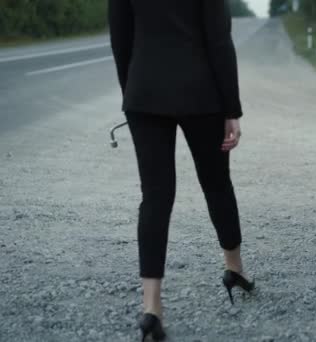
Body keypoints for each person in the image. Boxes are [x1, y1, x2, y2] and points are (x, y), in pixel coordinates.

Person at [108, 1, 255, 340]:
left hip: (143, 93)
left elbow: (120, 39)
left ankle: (152, 309)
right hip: (201, 93)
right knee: (217, 184)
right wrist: (231, 108)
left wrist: (132, 90)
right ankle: (234, 268)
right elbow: (219, 39)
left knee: (155, 197)